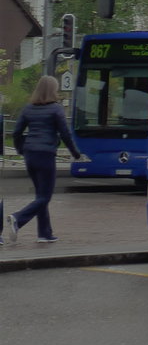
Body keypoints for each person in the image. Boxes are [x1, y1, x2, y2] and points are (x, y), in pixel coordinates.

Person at [5, 75, 82, 245]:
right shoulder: (56, 109)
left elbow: (16, 132)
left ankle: (44, 233)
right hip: (46, 154)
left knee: (40, 195)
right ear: (52, 90)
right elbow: (65, 134)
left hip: (30, 155)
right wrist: (75, 153)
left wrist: (20, 149)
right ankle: (18, 218)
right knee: (45, 197)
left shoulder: (28, 108)